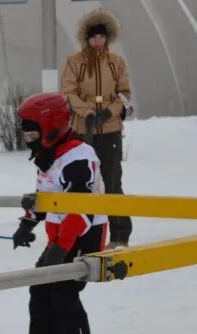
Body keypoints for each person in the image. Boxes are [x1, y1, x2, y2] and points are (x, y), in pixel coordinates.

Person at [0, 93, 114, 334]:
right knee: (40, 287)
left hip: (85, 235)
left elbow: (83, 207)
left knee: (63, 294)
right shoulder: (48, 156)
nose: (27, 138)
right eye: (24, 131)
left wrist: (61, 248)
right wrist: (28, 223)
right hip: (61, 237)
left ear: (52, 126)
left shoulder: (79, 157)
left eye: (32, 131)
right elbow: (47, 198)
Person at [62, 8, 133, 247]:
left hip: (110, 130)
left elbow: (124, 94)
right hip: (83, 130)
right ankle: (80, 234)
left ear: (108, 37)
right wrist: (89, 114)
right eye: (93, 37)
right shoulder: (75, 62)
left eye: (102, 37)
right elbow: (69, 92)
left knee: (112, 182)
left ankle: (120, 233)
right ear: (87, 38)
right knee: (82, 181)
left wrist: (107, 113)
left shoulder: (117, 63)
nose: (98, 41)